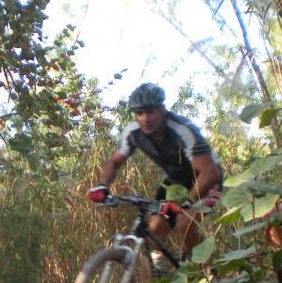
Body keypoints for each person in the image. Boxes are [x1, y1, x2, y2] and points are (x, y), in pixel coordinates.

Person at [88, 82, 223, 268]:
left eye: (150, 111)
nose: (144, 118)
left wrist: (185, 203)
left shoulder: (181, 130)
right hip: (175, 182)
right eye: (139, 113)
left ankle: (206, 275)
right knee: (153, 233)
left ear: (162, 109)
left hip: (206, 180)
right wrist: (103, 186)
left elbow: (210, 172)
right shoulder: (133, 132)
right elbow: (115, 161)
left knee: (184, 222)